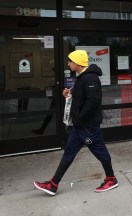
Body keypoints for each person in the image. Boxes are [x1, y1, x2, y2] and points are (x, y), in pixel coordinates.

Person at [33, 50, 118, 196]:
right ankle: (53, 184)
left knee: (101, 152)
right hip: (80, 127)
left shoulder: (90, 78)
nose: (68, 63)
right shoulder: (82, 77)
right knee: (69, 153)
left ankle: (111, 178)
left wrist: (78, 117)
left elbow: (93, 101)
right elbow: (83, 97)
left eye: (70, 61)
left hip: (88, 126)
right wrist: (70, 94)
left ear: (77, 62)